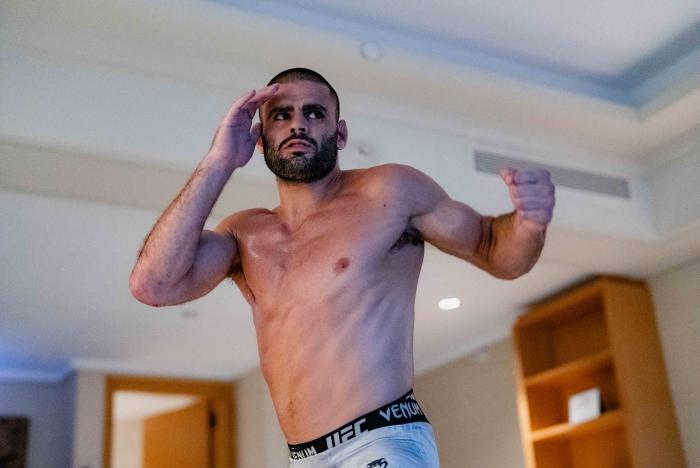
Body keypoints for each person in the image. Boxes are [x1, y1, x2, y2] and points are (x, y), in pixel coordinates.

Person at [129, 68, 555, 467]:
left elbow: (496, 250)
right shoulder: (246, 233)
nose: (298, 125)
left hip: (380, 438)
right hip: (304, 457)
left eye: (314, 113)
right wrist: (218, 162)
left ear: (340, 131)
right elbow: (153, 285)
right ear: (260, 138)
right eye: (281, 115)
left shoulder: (389, 191)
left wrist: (529, 222)